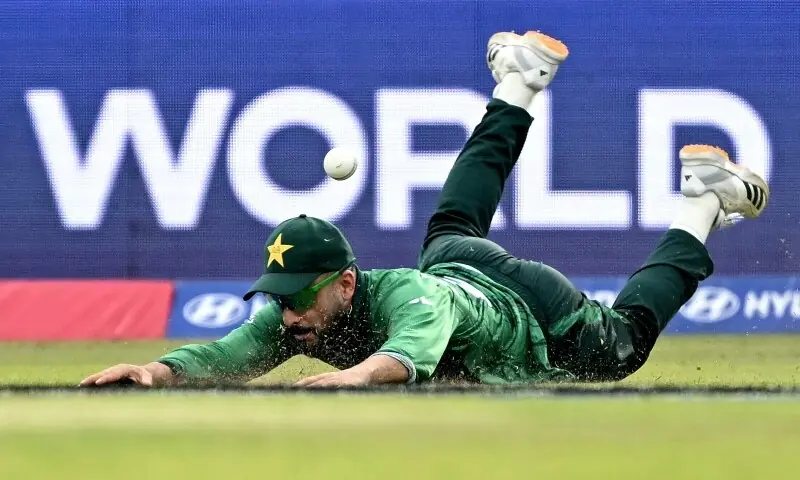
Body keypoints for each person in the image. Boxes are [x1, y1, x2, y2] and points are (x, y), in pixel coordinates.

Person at [80, 30, 769, 389]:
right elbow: (225, 354)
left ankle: (703, 203)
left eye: (299, 299)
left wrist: (352, 378)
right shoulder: (300, 320)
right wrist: (155, 372)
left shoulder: (410, 302)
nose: (288, 315)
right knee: (450, 231)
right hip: (457, 264)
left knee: (617, 348)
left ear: (346, 283)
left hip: (531, 309)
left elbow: (407, 355)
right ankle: (517, 85)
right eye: (282, 299)